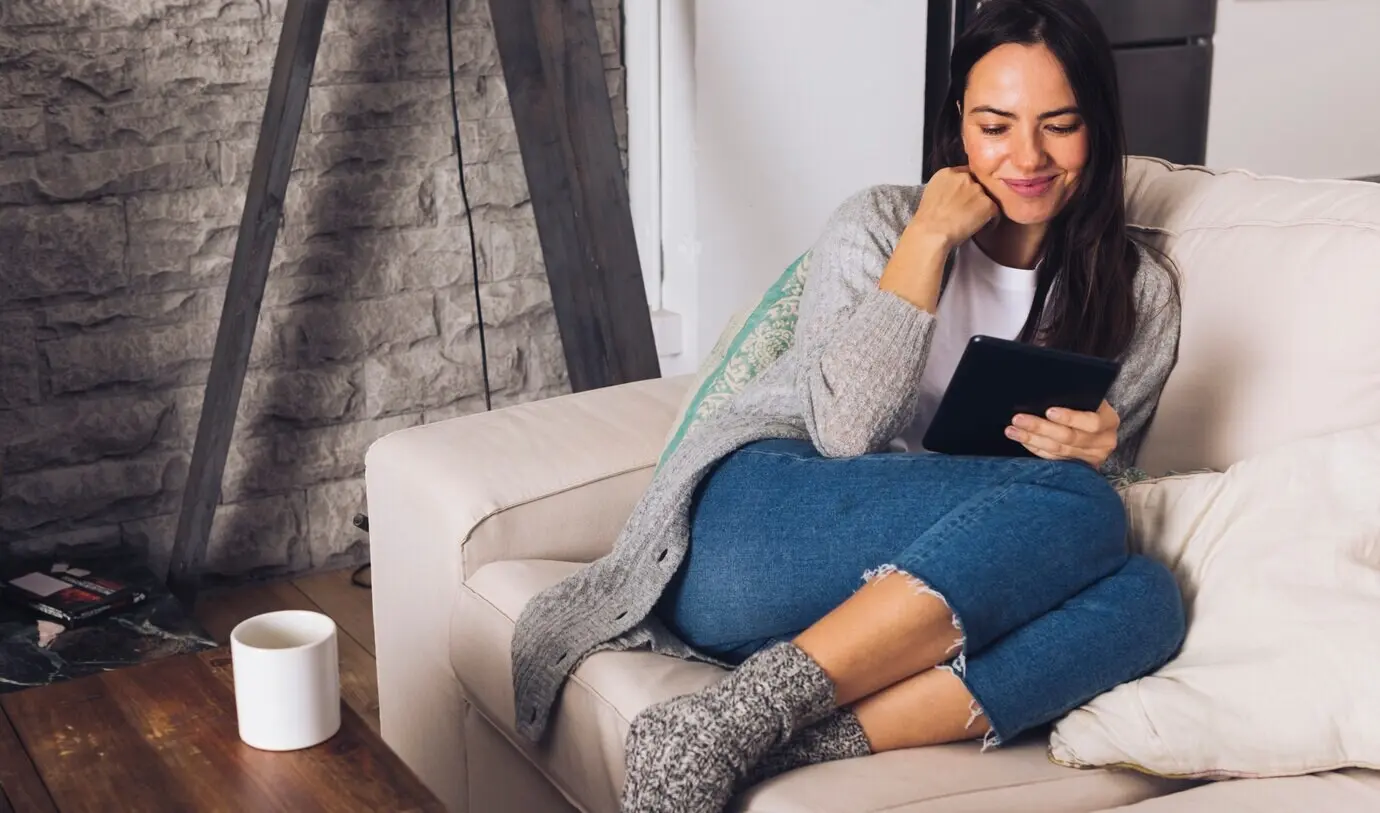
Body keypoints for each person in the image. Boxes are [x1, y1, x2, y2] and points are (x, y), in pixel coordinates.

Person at [511, 1, 1186, 810]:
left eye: (1061, 125)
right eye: (995, 126)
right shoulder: (879, 225)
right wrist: (927, 242)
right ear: (958, 126)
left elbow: (1049, 541)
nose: (1028, 156)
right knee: (1081, 508)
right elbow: (844, 431)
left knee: (1148, 601)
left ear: (1098, 127)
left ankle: (741, 729)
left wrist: (1100, 453)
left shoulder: (1140, 294)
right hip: (753, 530)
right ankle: (752, 714)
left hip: (896, 602)